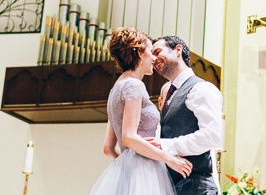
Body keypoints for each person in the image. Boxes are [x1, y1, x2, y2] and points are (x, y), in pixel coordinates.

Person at [90, 27, 192, 195]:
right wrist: (169, 159)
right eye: (151, 52)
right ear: (139, 53)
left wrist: (128, 166)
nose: (154, 58)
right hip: (145, 169)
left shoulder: (116, 88)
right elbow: (129, 137)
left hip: (131, 169)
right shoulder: (134, 85)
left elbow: (108, 147)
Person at [147, 35, 223, 195]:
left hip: (197, 187)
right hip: (175, 186)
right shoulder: (171, 93)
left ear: (178, 50)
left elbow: (212, 135)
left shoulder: (201, 88)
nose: (153, 59)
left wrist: (166, 146)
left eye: (157, 52)